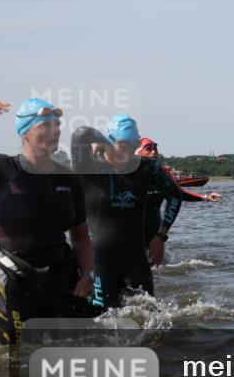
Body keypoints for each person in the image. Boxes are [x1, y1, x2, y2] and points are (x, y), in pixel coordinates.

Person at [0, 98, 103, 344]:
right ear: (25, 132)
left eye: (57, 125)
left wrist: (88, 275)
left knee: (81, 346)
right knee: (16, 354)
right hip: (14, 274)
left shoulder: (68, 178)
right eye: (45, 125)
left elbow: (81, 238)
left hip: (60, 272)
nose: (55, 131)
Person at [71, 115, 186, 307]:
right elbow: (80, 134)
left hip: (136, 260)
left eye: (134, 145)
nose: (129, 152)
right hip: (99, 262)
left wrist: (160, 236)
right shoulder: (89, 167)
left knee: (148, 315)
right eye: (123, 145)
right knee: (102, 319)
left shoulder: (146, 167)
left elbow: (175, 195)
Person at [136, 137, 221, 245]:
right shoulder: (126, 175)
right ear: (137, 152)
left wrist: (205, 197)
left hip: (154, 234)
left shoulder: (163, 174)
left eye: (155, 149)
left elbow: (177, 194)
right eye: (148, 149)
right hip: (131, 233)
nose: (153, 152)